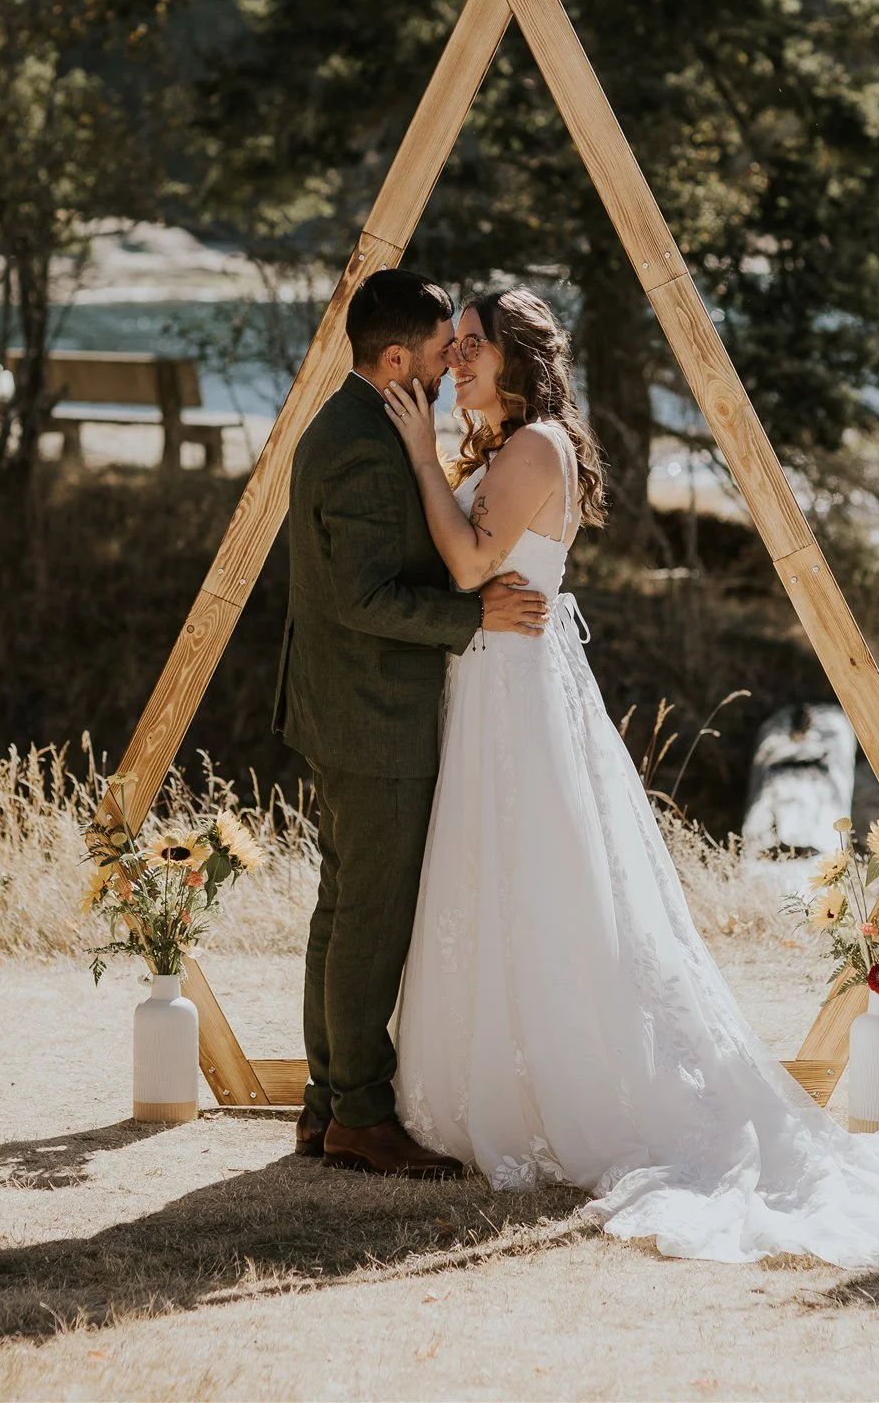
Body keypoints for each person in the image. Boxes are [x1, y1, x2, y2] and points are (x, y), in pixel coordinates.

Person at [382, 286, 879, 1267]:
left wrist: (416, 451)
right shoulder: (514, 444)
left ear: (519, 358)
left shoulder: (532, 446)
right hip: (504, 681)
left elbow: (464, 566)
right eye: (453, 350)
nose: (455, 364)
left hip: (517, 687)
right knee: (522, 878)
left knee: (537, 879)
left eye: (473, 347)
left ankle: (552, 1090)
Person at [274, 269, 550, 1177]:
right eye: (441, 351)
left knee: (343, 908)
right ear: (398, 359)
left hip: (350, 704)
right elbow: (361, 596)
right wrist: (473, 619)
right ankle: (356, 1112)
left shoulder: (364, 423)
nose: (451, 362)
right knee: (370, 920)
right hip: (371, 711)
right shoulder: (361, 444)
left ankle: (326, 1104)